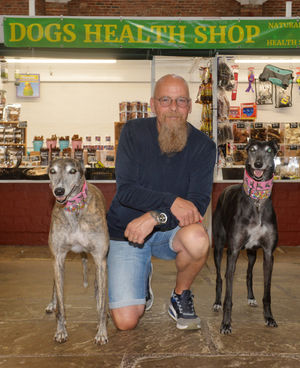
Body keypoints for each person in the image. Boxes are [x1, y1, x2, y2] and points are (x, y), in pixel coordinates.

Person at [107, 74, 216, 331]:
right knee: (126, 322)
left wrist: (156, 216)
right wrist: (172, 202)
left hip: (170, 232)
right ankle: (141, 275)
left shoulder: (204, 147)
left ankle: (180, 295)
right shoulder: (132, 133)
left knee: (198, 239)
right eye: (166, 100)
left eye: (180, 101)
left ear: (190, 106)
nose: (174, 108)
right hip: (128, 231)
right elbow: (126, 191)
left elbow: (197, 205)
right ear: (153, 104)